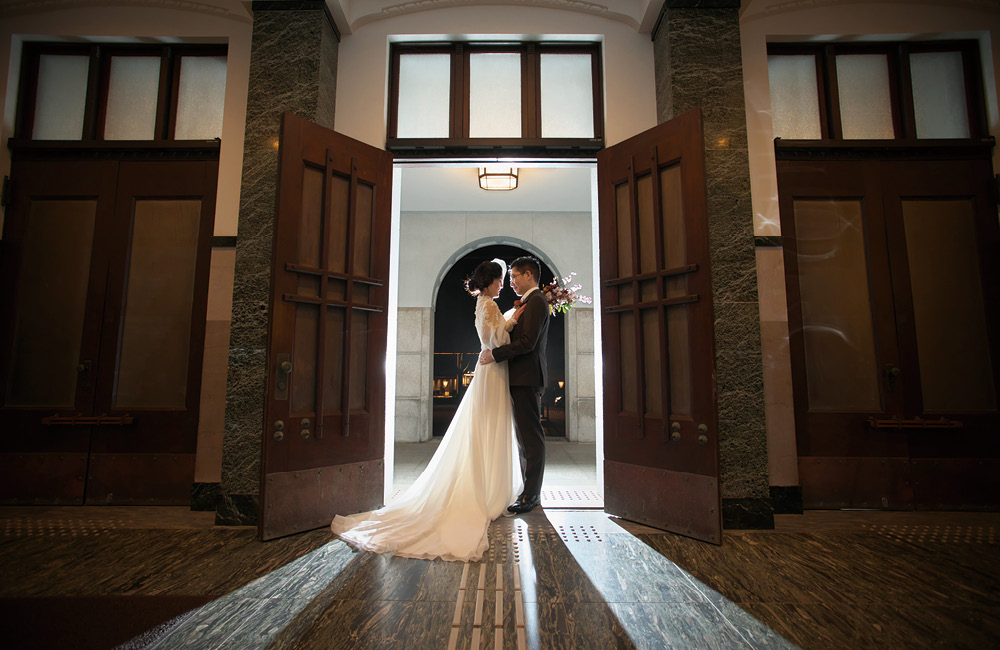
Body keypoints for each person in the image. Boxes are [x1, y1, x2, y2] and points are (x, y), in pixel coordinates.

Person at [331, 259, 525, 562]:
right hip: (493, 368)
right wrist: (512, 323)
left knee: (488, 426)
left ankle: (489, 488)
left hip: (492, 370)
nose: (502, 284)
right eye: (500, 280)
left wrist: (511, 318)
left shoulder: (486, 304)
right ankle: (487, 491)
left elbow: (496, 331)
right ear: (489, 282)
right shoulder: (487, 305)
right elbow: (495, 339)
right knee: (489, 426)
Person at [479, 256, 550, 515]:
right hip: (521, 377)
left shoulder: (538, 301)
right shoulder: (529, 303)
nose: (511, 283)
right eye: (508, 279)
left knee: (531, 438)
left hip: (527, 377)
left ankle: (531, 495)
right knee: (524, 437)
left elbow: (528, 342)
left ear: (529, 275)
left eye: (514, 277)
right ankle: (527, 490)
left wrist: (495, 355)